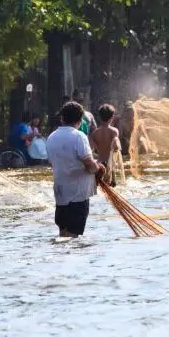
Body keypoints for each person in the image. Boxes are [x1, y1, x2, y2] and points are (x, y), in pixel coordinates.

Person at [47, 101, 106, 237]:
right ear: (80, 120)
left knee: (63, 235)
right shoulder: (79, 137)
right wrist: (100, 168)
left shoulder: (51, 137)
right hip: (78, 196)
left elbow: (55, 163)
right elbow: (90, 165)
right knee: (74, 239)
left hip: (60, 196)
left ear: (62, 118)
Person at [90, 104, 123, 186]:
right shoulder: (114, 131)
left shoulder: (94, 134)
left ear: (99, 117)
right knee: (112, 186)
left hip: (100, 164)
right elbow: (116, 147)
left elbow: (91, 150)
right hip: (110, 165)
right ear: (112, 117)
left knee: (100, 187)